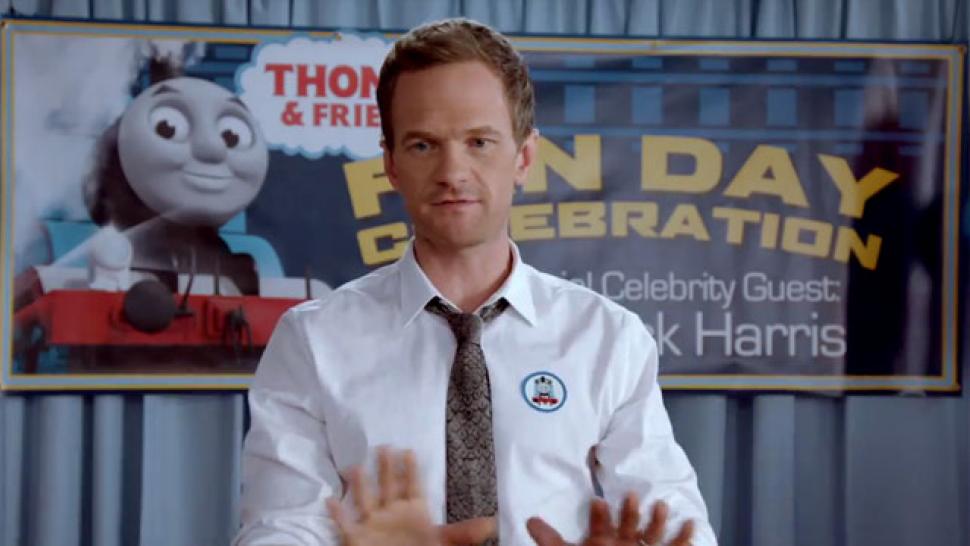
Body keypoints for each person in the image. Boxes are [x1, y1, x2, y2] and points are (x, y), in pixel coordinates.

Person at [234, 17, 717, 546]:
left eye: (479, 142)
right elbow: (277, 528)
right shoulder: (312, 341)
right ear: (391, 164)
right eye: (423, 145)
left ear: (524, 157)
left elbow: (679, 526)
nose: (452, 171)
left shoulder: (608, 338)